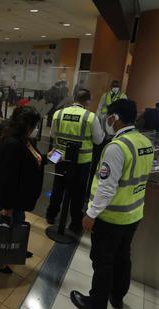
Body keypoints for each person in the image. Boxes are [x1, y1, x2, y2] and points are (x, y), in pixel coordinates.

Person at [70, 99, 154, 309]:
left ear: (115, 118)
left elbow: (107, 187)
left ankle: (97, 305)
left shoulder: (117, 147)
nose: (106, 121)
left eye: (108, 117)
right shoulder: (144, 142)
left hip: (112, 217)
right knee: (122, 256)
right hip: (134, 214)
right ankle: (117, 297)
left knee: (103, 260)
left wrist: (90, 214)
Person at [0, 106, 43, 273]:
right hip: (13, 195)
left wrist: (45, 158)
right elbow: (7, 177)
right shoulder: (12, 143)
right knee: (9, 224)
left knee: (17, 222)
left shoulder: (25, 140)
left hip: (20, 194)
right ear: (26, 126)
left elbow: (31, 160)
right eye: (34, 125)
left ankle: (16, 247)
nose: (35, 129)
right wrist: (7, 205)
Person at [46, 89, 105, 233]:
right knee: (77, 193)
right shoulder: (91, 117)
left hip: (59, 158)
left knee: (58, 187)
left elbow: (52, 134)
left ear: (74, 98)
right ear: (87, 101)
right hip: (82, 161)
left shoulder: (58, 113)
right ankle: (75, 223)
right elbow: (99, 140)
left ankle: (51, 215)